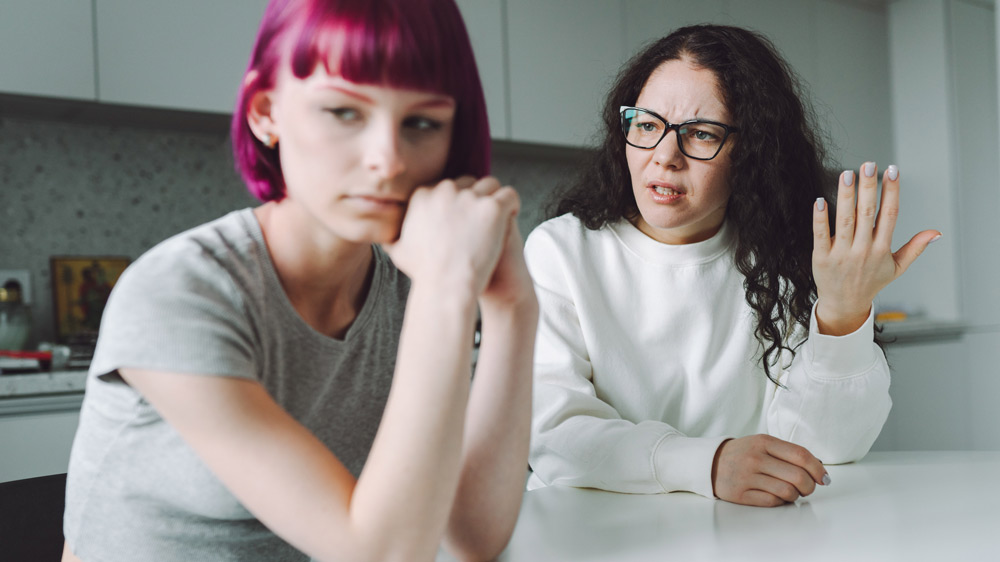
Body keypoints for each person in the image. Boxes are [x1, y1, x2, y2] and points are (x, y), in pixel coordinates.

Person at [61, 1, 538, 560]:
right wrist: (447, 292)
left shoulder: (415, 285)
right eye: (343, 112)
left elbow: (472, 537)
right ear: (266, 112)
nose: (388, 160)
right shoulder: (179, 293)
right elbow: (382, 555)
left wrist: (512, 306)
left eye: (422, 123)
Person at [524, 24, 939, 508]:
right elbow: (553, 431)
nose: (664, 156)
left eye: (701, 133)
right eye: (647, 125)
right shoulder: (560, 251)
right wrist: (709, 463)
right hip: (590, 531)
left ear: (752, 153)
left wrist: (844, 315)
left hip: (747, 531)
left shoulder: (787, 257)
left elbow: (824, 450)